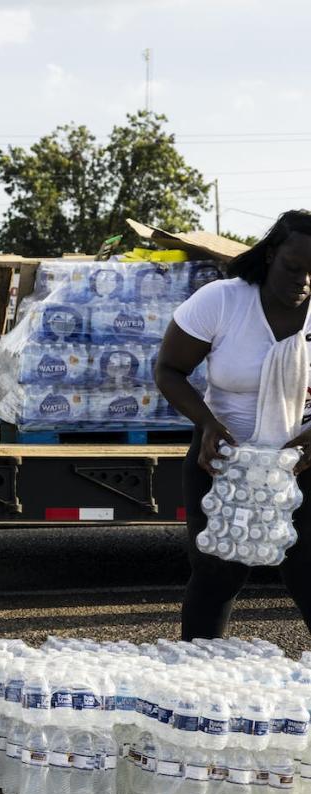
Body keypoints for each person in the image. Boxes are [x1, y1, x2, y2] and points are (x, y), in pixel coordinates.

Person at [155, 210, 311, 640]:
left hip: (302, 464)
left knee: (308, 574)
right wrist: (206, 423)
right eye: (294, 268)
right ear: (270, 255)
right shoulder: (223, 301)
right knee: (217, 574)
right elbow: (169, 368)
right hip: (223, 461)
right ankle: (198, 688)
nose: (304, 282)